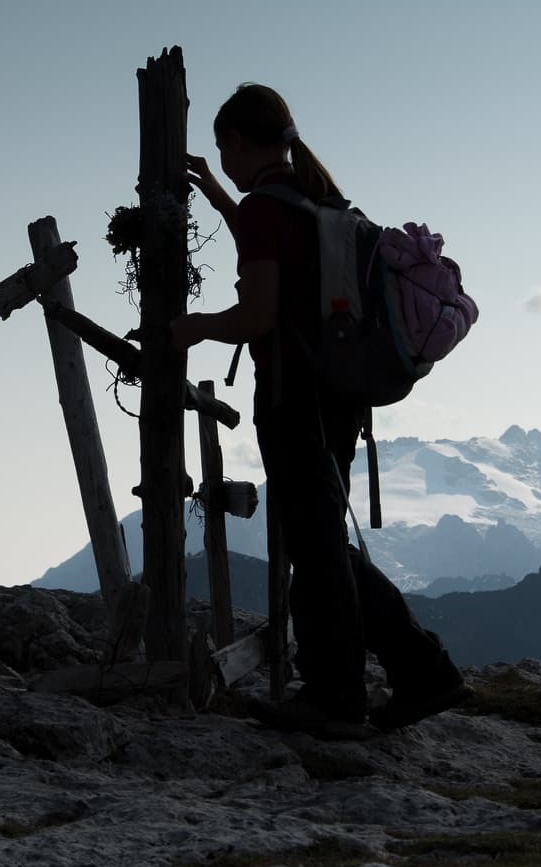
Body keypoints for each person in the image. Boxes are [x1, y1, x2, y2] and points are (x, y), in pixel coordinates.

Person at [171, 83, 470, 738]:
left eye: (224, 150)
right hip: (340, 399)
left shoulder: (266, 212)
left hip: (293, 396)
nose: (222, 161)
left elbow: (259, 313)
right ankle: (419, 673)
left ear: (240, 142)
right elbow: (276, 258)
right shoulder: (316, 201)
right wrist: (225, 202)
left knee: (315, 541)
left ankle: (338, 696)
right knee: (319, 535)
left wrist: (191, 328)